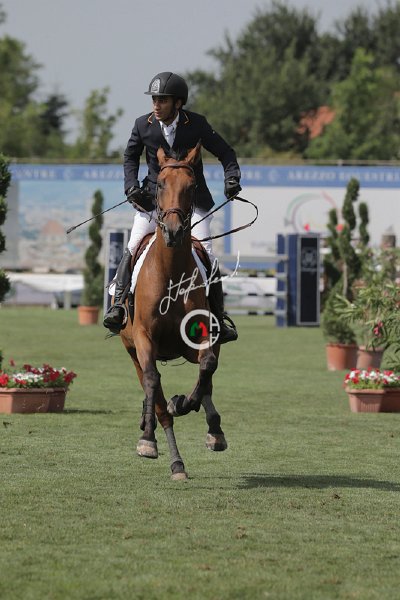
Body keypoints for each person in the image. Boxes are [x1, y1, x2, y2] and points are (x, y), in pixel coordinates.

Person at [103, 71, 242, 343]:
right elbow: (130, 157)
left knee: (207, 254)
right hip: (152, 202)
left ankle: (218, 317)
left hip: (192, 202)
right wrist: (131, 186)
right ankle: (118, 306)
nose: (156, 105)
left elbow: (226, 152)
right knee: (133, 246)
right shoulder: (143, 125)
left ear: (178, 103)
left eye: (163, 100)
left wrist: (232, 178)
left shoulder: (197, 124)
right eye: (154, 99)